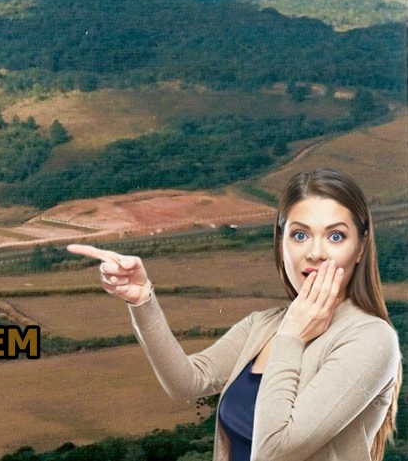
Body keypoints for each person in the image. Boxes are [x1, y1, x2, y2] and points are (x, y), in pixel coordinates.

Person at [69, 167, 402, 461]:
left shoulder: (370, 339)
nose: (315, 253)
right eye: (299, 235)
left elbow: (274, 450)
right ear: (281, 242)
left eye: (335, 236)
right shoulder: (263, 325)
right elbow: (187, 381)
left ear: (360, 247)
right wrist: (142, 299)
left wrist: (292, 336)